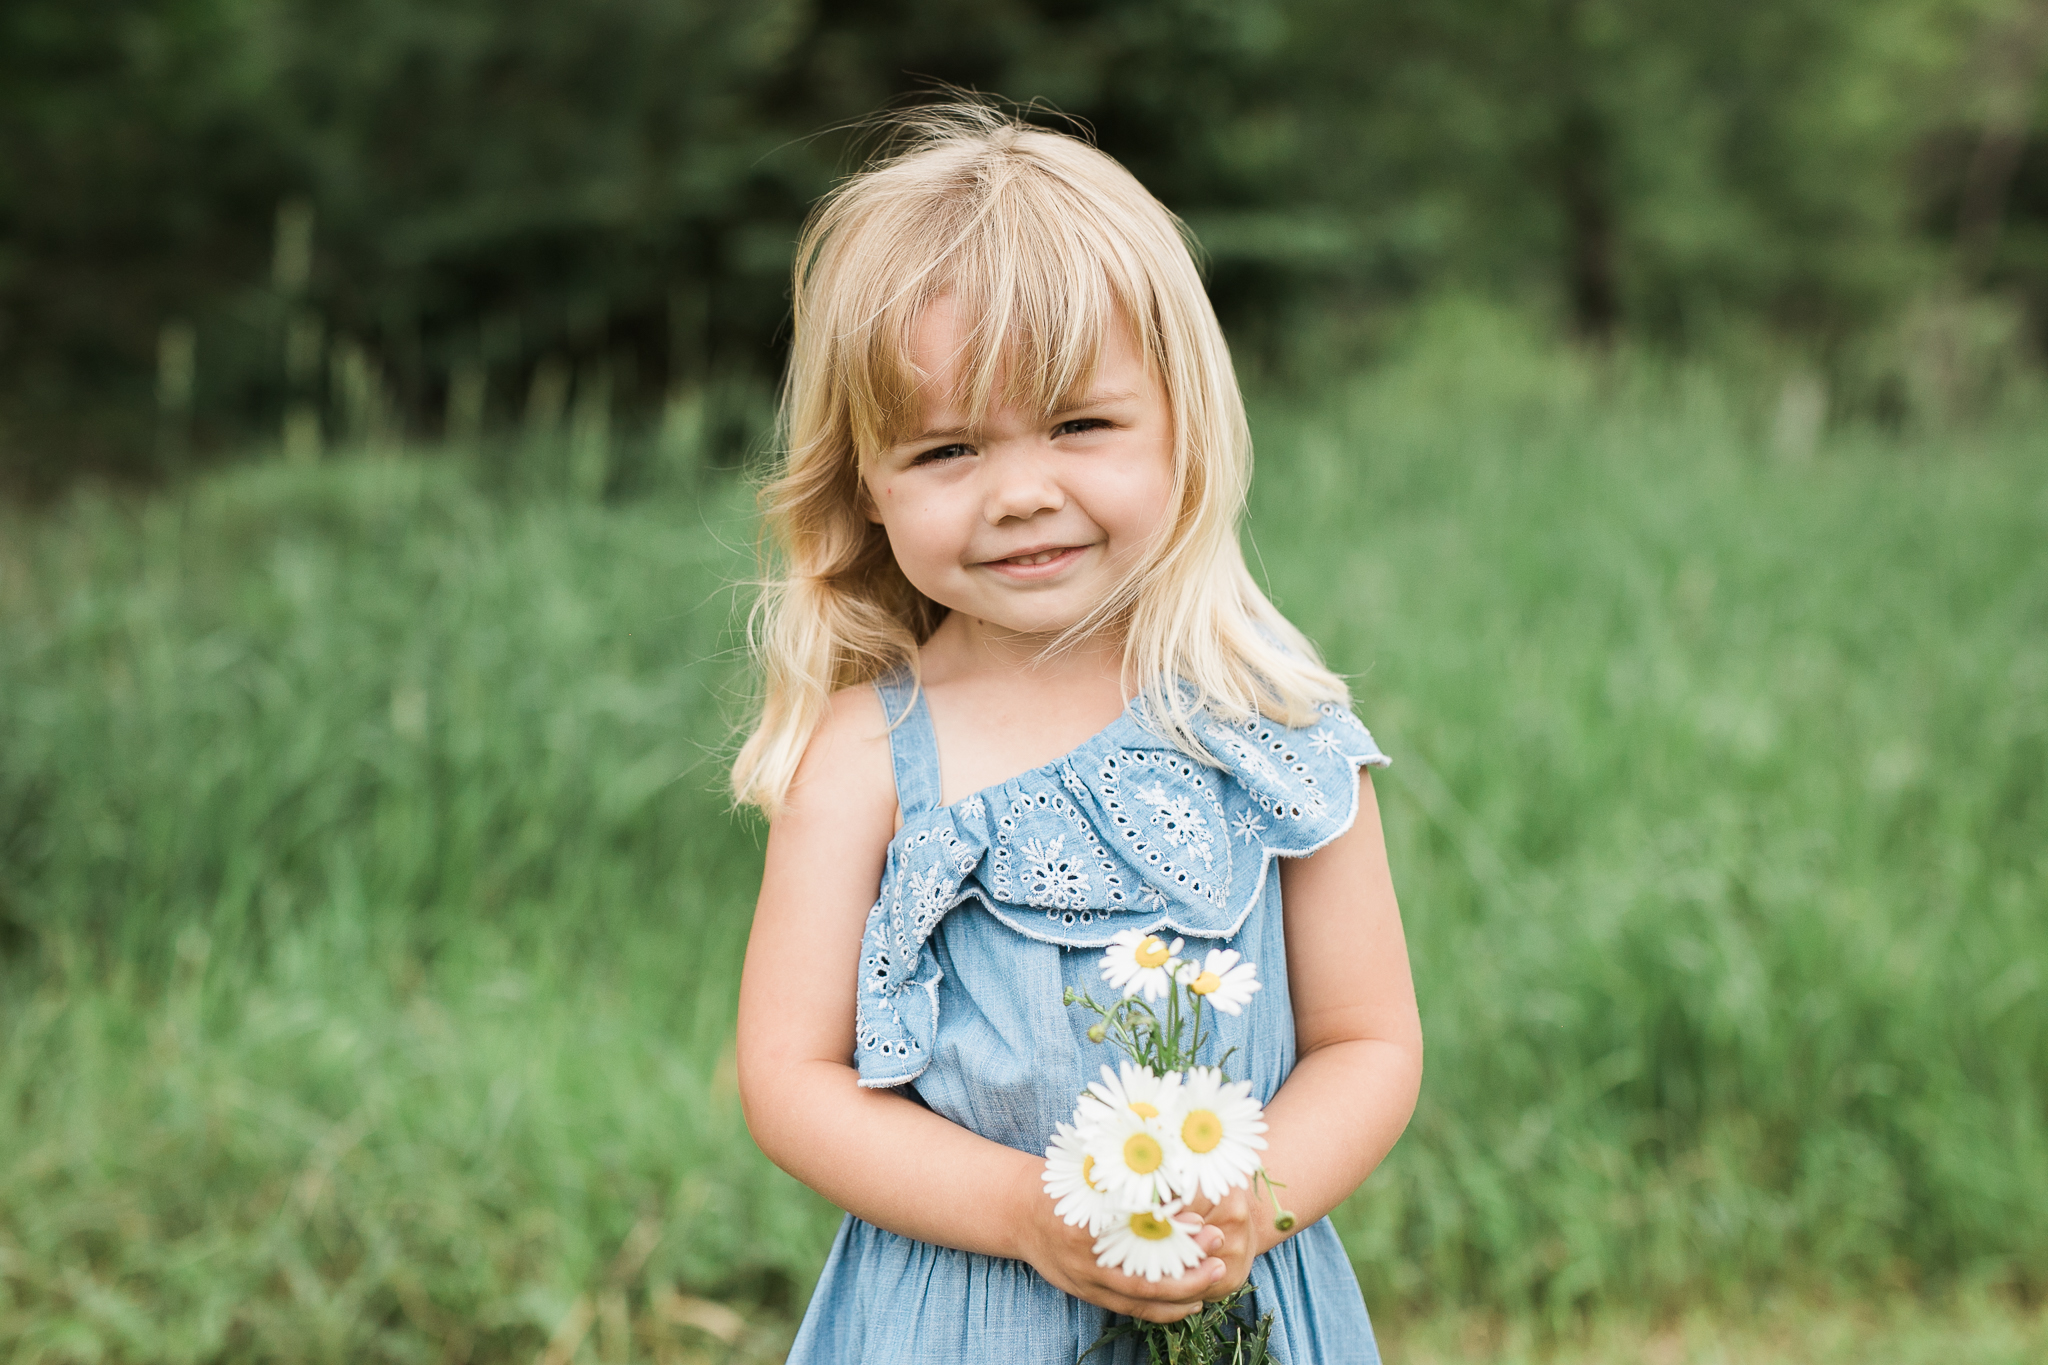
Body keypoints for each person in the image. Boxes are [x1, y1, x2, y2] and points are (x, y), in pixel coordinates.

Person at [733, 101, 1422, 1364]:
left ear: (1180, 424)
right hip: (956, 1318)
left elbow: (1366, 1043)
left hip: (1241, 1301)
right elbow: (791, 1081)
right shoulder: (869, 756)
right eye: (946, 449)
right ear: (865, 489)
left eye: (1078, 425)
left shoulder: (1266, 724)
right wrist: (1025, 1211)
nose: (1021, 492)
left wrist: (1249, 1205)